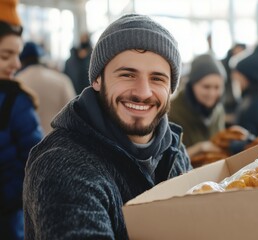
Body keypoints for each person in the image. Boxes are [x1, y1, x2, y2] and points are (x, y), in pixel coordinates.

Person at [23, 13, 192, 239]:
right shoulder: (63, 164)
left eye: (157, 78)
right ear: (97, 80)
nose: (143, 92)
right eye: (127, 74)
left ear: (171, 88)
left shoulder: (174, 150)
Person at [0, 1, 43, 239]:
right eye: (6, 55)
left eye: (17, 55)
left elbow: (35, 165)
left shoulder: (17, 102)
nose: (16, 64)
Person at [168, 53, 226, 167]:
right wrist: (199, 148)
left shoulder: (218, 110)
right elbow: (168, 163)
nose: (212, 93)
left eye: (217, 87)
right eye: (206, 87)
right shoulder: (172, 112)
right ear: (192, 85)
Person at [16, 41, 76, 135]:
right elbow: (74, 114)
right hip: (58, 142)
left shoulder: (16, 82)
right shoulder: (61, 80)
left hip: (26, 144)